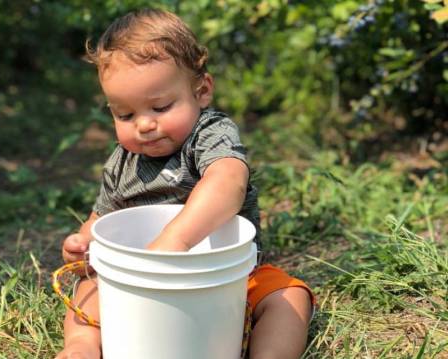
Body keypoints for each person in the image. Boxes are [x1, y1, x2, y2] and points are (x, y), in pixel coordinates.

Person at [56, 8, 315, 359]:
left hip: (229, 285)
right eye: (125, 115)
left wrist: (174, 240)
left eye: (160, 106)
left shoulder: (208, 134)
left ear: (202, 91)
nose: (144, 125)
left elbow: (228, 181)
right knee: (88, 288)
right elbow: (102, 218)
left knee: (289, 296)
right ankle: (81, 347)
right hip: (142, 288)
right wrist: (85, 243)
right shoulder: (123, 161)